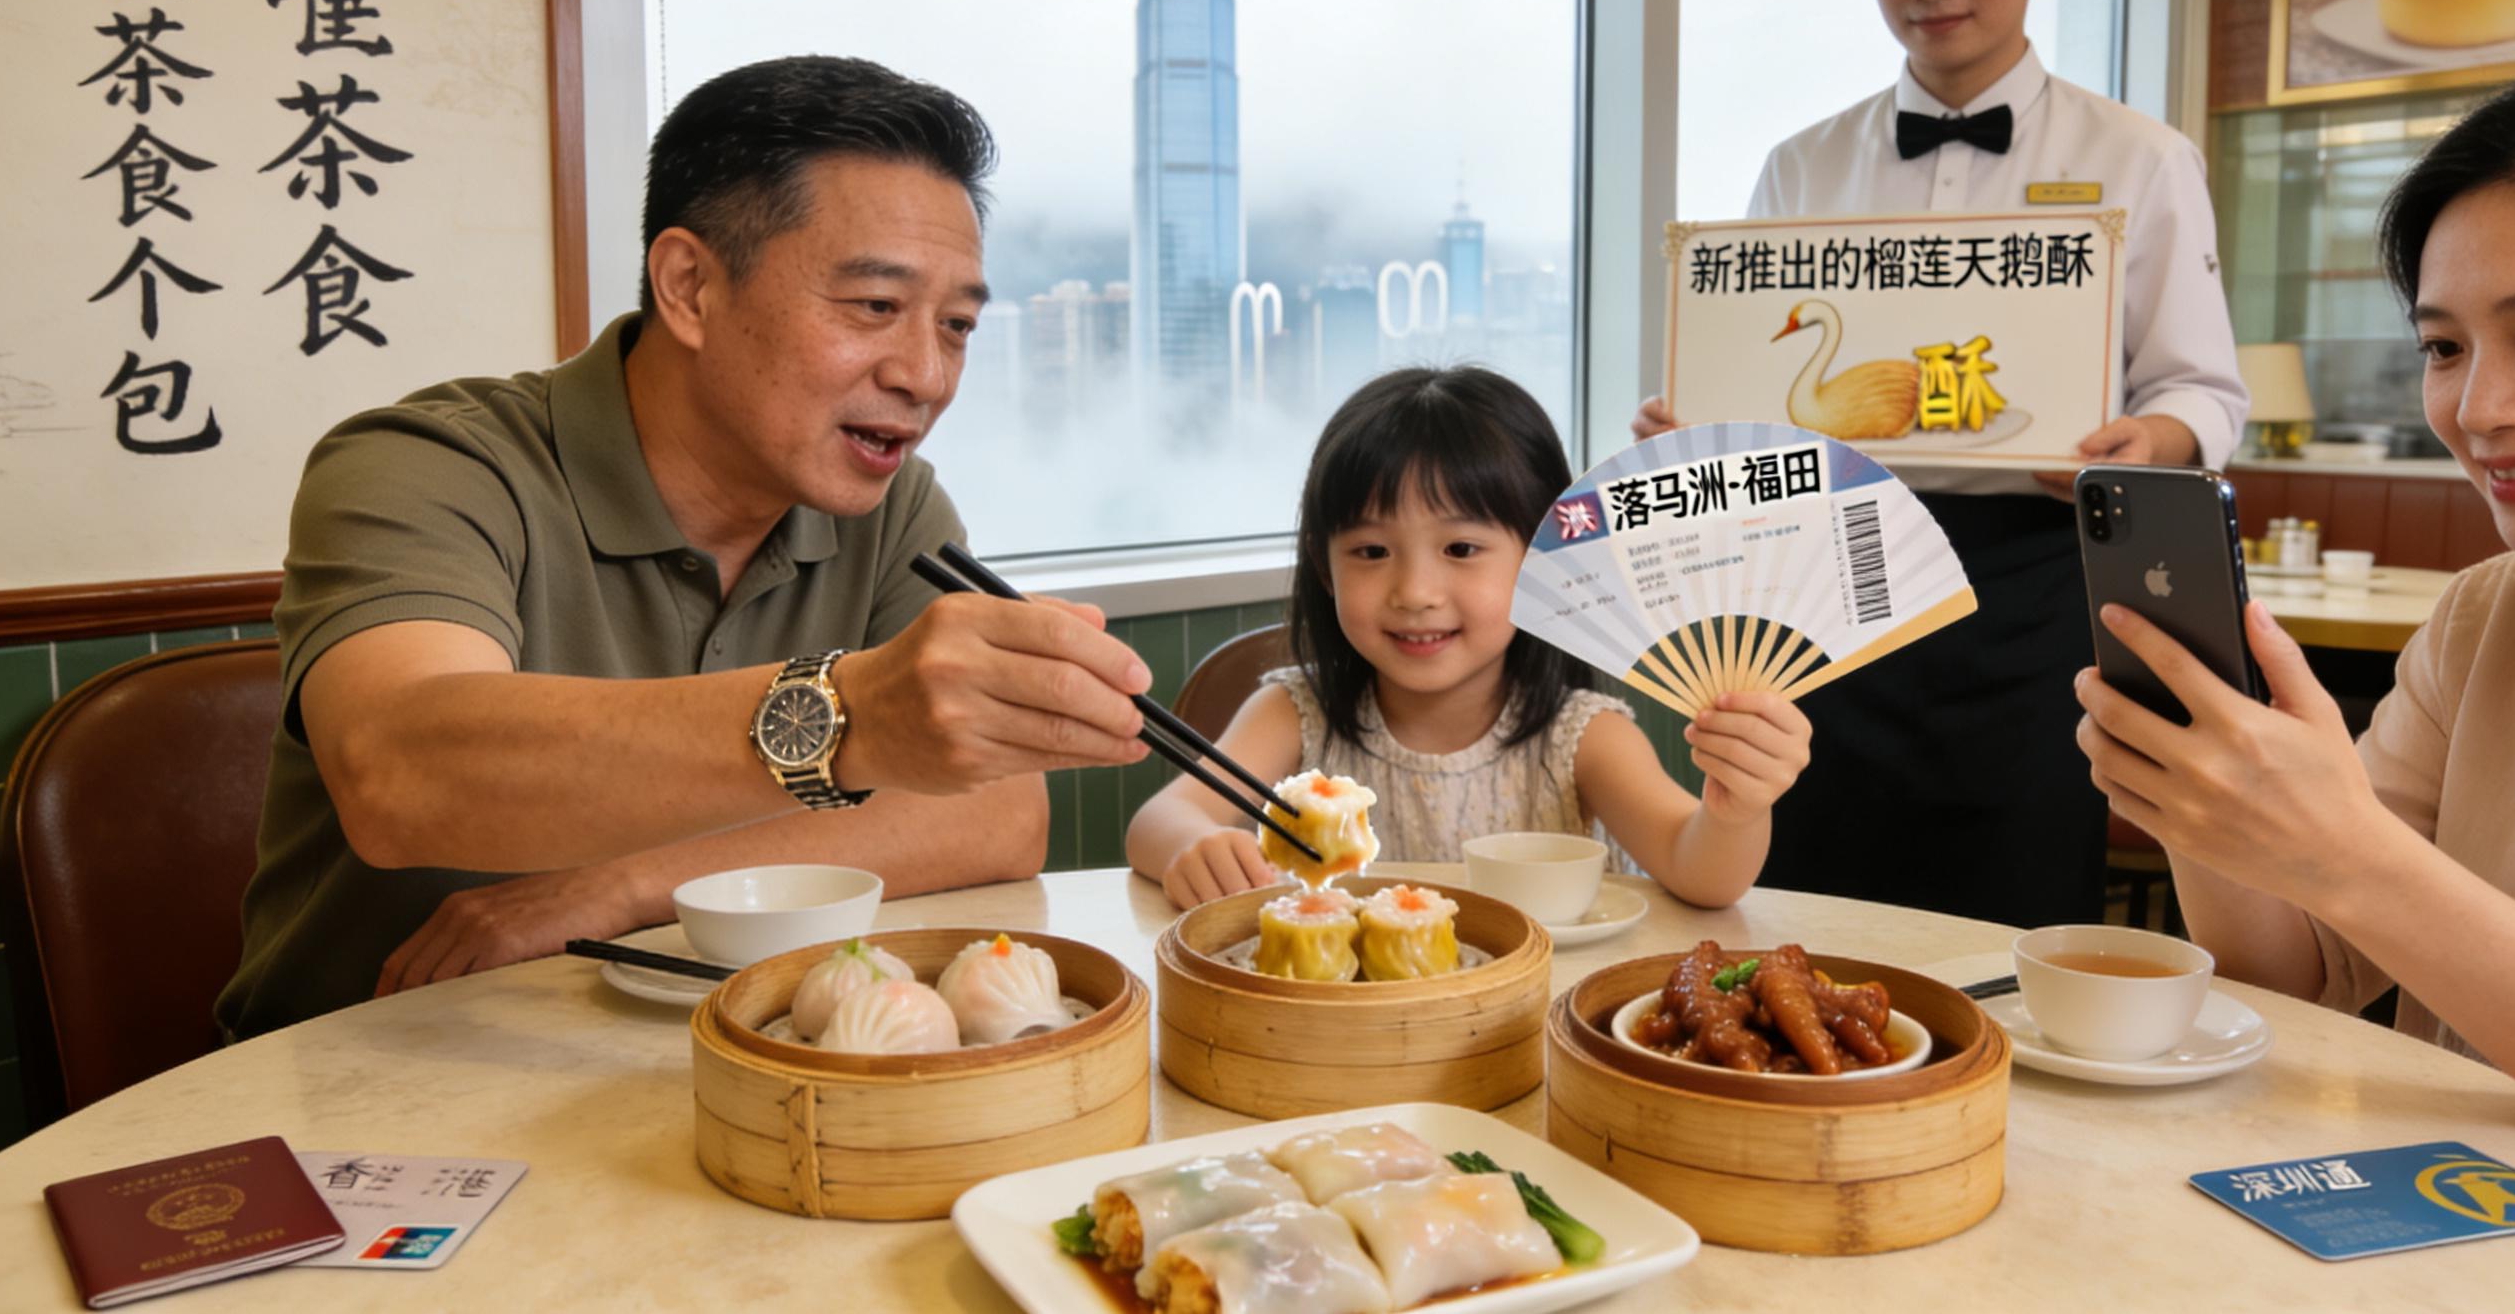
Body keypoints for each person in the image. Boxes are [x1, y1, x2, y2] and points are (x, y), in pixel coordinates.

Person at [218, 56, 1159, 1039]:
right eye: (874, 307)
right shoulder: (432, 463)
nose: (924, 374)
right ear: (690, 286)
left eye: (957, 324)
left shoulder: (885, 504)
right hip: (374, 1076)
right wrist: (847, 716)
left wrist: (619, 885)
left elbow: (998, 813)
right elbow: (399, 766)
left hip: (709, 1058)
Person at [2076, 50, 2515, 1172]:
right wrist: (2206, 801)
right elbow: (2297, 972)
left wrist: (2346, 855)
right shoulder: (2485, 619)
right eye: (2441, 346)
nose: (2475, 408)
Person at [1636, 0, 2246, 926]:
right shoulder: (1801, 163)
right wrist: (1703, 432)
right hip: (1827, 576)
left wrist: (2139, 446)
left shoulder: (2140, 158)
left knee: (2011, 891)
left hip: (2031, 585)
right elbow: (1762, 384)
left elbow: (2203, 391)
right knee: (1805, 889)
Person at [1125, 366, 1814, 911]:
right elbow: (1163, 817)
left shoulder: (1582, 737)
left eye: (1460, 547)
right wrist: (1197, 842)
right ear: (1323, 566)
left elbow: (1701, 871)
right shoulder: (1294, 713)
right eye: (1370, 551)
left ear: (1543, 556)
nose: (1415, 590)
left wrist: (1736, 810)